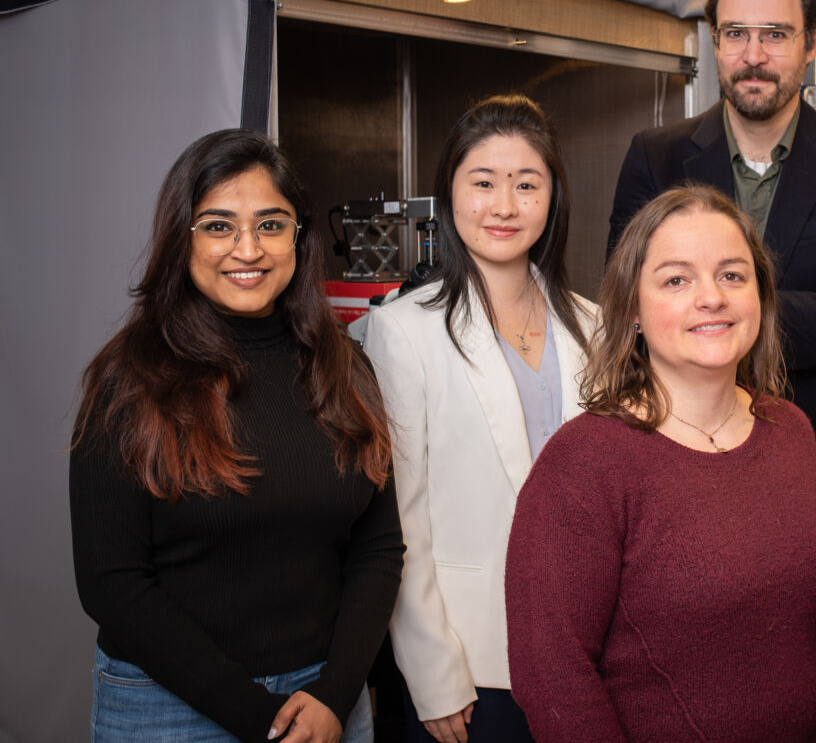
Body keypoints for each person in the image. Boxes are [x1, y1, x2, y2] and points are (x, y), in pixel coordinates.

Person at [608, 0, 816, 743]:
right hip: (683, 479)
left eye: (774, 34)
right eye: (734, 33)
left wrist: (703, 320)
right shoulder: (658, 157)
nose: (752, 54)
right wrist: (804, 306)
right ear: (713, 40)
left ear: (813, 42)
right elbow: (628, 306)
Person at [70, 129, 403, 743]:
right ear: (182, 237)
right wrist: (260, 718)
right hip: (167, 706)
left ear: (298, 237)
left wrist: (335, 693)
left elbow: (378, 548)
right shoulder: (128, 378)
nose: (247, 249)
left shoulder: (345, 366)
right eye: (218, 225)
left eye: (271, 225)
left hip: (326, 700)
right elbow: (110, 581)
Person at [507, 184, 816, 743]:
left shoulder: (789, 430)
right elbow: (552, 675)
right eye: (676, 280)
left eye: (733, 275)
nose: (711, 297)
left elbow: (796, 623)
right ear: (632, 310)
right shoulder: (585, 462)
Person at [362, 94, 596, 743]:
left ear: (553, 198)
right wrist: (432, 672)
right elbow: (399, 518)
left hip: (587, 652)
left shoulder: (595, 326)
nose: (504, 206)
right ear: (450, 193)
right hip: (472, 661)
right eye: (483, 183)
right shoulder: (404, 332)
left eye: (527, 185)